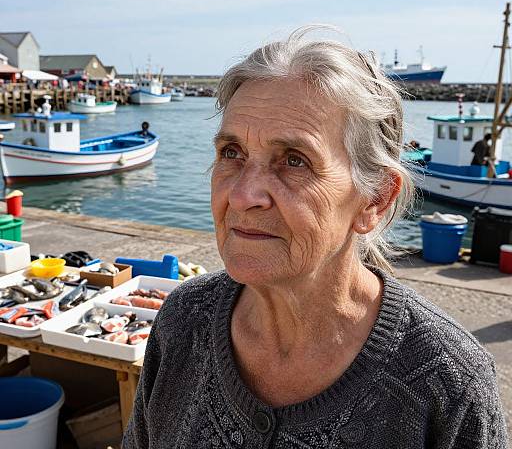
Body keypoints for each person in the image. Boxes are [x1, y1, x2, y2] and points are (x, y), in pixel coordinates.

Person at [123, 28, 508, 448]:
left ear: (375, 200)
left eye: (294, 161)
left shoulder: (448, 382)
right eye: (232, 153)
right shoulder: (183, 320)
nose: (242, 195)